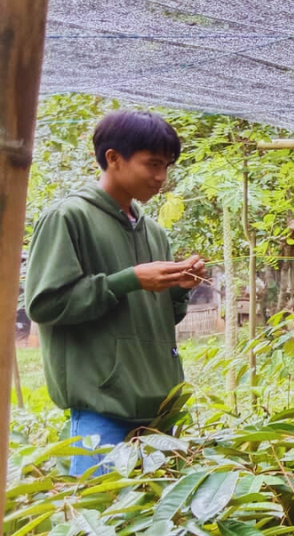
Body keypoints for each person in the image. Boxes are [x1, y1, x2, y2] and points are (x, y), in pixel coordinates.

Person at [25, 110, 205, 477]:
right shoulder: (67, 217)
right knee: (99, 521)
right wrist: (129, 280)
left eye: (167, 166)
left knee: (154, 526)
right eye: (152, 164)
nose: (161, 178)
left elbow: (162, 318)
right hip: (102, 408)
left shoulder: (155, 233)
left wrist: (180, 290)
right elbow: (45, 304)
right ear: (112, 158)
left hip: (159, 407)